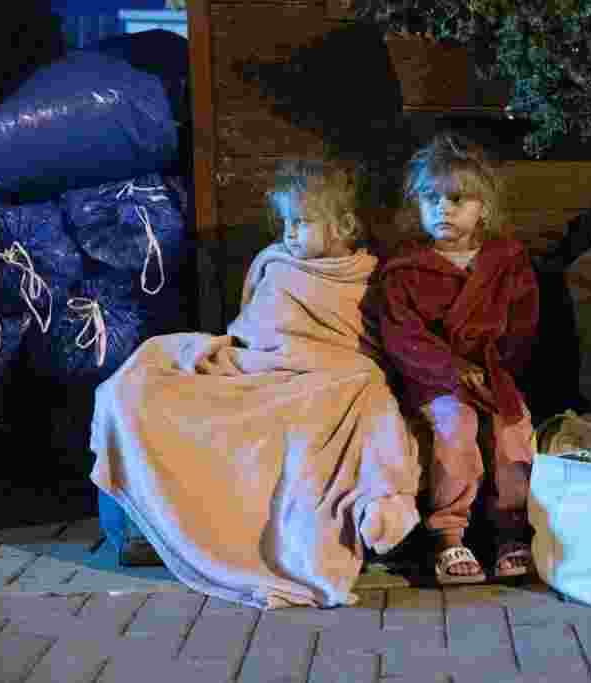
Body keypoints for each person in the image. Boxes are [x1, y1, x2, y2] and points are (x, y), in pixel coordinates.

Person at [89, 160, 422, 608]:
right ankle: (155, 527)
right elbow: (253, 328)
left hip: (324, 374)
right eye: (285, 221)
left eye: (301, 223)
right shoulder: (275, 263)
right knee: (138, 385)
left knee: (361, 383)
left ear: (342, 225)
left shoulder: (367, 278)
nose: (288, 232)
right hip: (256, 368)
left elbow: (368, 348)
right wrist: (247, 357)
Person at [379, 132, 540, 584]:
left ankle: (511, 533)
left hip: (494, 374)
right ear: (416, 206)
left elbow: (524, 326)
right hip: (434, 378)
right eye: (431, 198)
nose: (443, 209)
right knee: (457, 428)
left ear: (482, 208)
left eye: (456, 199)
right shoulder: (404, 270)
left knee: (514, 431)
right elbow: (402, 336)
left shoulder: (507, 262)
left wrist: (498, 372)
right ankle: (449, 536)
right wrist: (452, 370)